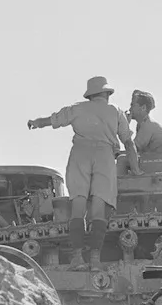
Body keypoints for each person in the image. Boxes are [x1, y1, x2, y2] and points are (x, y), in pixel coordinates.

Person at [27, 76, 143, 272]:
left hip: (80, 154)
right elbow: (129, 143)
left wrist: (37, 122)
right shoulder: (116, 112)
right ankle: (95, 260)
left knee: (78, 208)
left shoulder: (79, 108)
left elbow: (55, 119)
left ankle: (77, 258)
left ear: (90, 95)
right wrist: (137, 169)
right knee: (98, 209)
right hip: (105, 157)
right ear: (106, 94)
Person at [128, 89, 162, 153]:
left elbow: (132, 151)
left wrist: (125, 126)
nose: (130, 109)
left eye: (132, 105)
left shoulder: (147, 126)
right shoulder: (143, 124)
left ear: (143, 108)